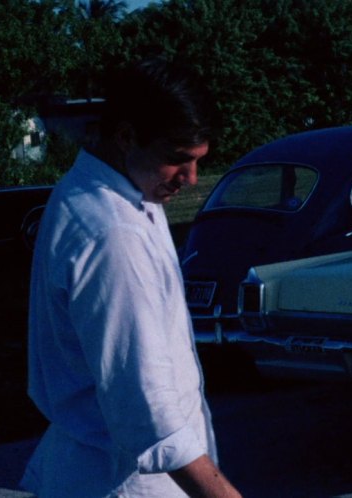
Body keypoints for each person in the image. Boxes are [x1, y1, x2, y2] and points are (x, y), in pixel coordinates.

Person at [20, 58, 242, 497]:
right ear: (125, 137)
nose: (192, 179)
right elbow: (148, 410)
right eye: (176, 160)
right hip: (123, 481)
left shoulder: (101, 192)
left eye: (199, 161)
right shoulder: (112, 235)